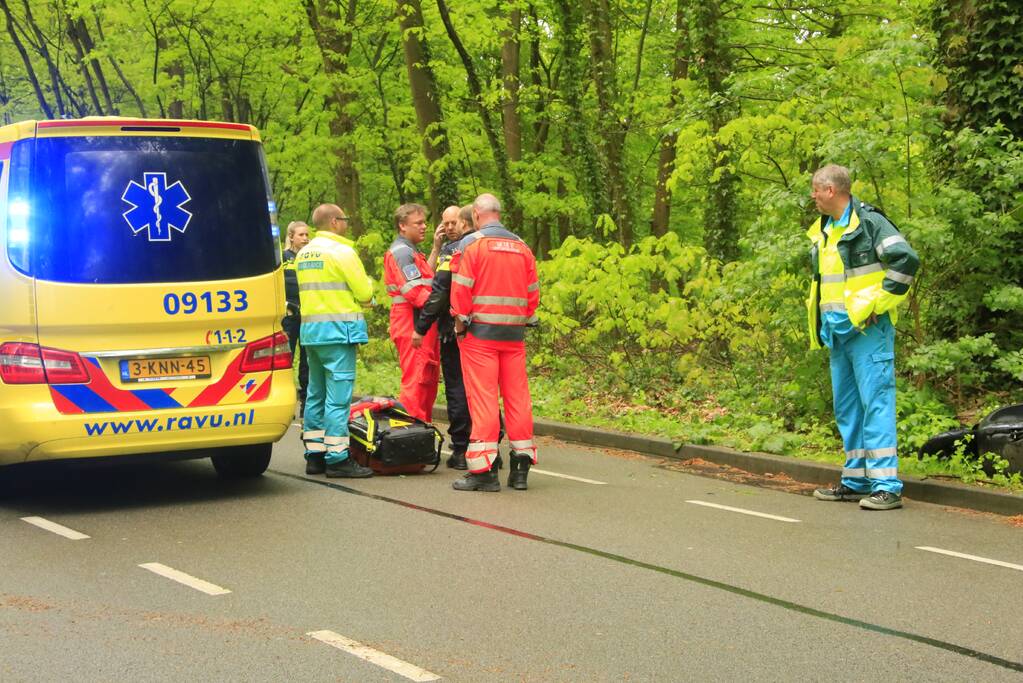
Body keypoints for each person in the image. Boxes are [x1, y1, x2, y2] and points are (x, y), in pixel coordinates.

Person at [807, 165, 919, 510]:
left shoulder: (870, 223)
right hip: (838, 332)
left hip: (868, 330)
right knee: (848, 409)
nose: (812, 196)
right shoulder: (824, 229)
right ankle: (855, 480)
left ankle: (887, 486)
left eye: (815, 190)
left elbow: (906, 260)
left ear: (830, 190)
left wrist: (878, 306)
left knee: (876, 404)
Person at [449, 193, 540, 492]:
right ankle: (520, 468)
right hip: (514, 336)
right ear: (498, 213)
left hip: (480, 337)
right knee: (517, 399)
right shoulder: (522, 247)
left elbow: (460, 288)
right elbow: (532, 294)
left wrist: (460, 323)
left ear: (476, 215)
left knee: (484, 399)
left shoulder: (471, 244)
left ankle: (484, 471)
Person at [296, 204, 375, 478]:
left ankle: (314, 455)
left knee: (315, 394)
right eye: (344, 219)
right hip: (339, 333)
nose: (346, 223)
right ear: (333, 222)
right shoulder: (342, 251)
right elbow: (364, 291)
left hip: (311, 335)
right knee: (338, 399)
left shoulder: (303, 253)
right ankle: (338, 457)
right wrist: (368, 297)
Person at [413, 205, 473, 469]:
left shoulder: (455, 251)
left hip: (453, 329)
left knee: (458, 388)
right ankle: (488, 444)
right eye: (444, 223)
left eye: (453, 223)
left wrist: (422, 327)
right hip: (483, 329)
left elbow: (437, 290)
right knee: (481, 389)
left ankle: (461, 448)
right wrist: (436, 248)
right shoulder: (483, 245)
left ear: (463, 222)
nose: (449, 228)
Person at [384, 203, 440, 423]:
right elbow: (415, 292)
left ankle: (421, 431)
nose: (424, 226)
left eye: (425, 222)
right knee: (416, 381)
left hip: (421, 321)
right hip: (412, 322)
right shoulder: (402, 253)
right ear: (402, 226)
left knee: (426, 379)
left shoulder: (413, 252)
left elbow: (426, 282)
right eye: (418, 223)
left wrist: (436, 248)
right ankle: (409, 435)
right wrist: (445, 306)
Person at [281, 221, 311, 413]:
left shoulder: (311, 257)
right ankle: (285, 405)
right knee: (286, 359)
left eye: (307, 235)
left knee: (307, 361)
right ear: (291, 236)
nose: (305, 238)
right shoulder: (283, 257)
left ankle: (307, 405)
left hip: (308, 314)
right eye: (301, 235)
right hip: (289, 315)